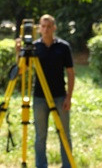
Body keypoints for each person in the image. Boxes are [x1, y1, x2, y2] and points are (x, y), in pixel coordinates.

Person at [32, 14, 75, 168]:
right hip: (39, 98)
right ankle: (41, 166)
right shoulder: (34, 47)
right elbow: (22, 70)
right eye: (43, 26)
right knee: (40, 136)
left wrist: (68, 97)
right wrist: (19, 52)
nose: (46, 29)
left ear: (54, 28)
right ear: (39, 28)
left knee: (64, 135)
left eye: (49, 26)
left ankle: (67, 165)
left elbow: (70, 73)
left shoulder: (63, 47)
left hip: (59, 96)